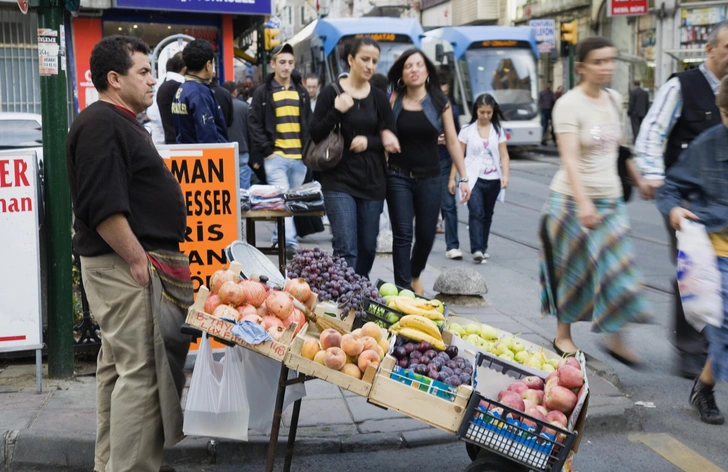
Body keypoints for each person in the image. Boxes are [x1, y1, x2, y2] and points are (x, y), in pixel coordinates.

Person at [66, 35, 191, 472]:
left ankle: (110, 465)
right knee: (141, 375)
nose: (152, 79)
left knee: (120, 371)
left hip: (126, 265)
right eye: (143, 71)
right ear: (114, 79)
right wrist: (138, 259)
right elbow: (103, 205)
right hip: (126, 267)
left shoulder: (116, 120)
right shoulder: (102, 123)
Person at [540, 37, 650, 365]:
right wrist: (584, 202)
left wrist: (639, 178)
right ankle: (563, 336)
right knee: (573, 272)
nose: (607, 67)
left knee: (620, 270)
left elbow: (620, 147)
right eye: (599, 62)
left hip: (611, 200)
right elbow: (570, 159)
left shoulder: (615, 100)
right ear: (582, 67)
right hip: (572, 202)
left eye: (610, 60)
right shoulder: (568, 105)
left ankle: (617, 339)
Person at [636, 20, 728, 378]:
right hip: (689, 204)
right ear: (710, 50)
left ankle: (714, 346)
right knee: (694, 271)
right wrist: (656, 177)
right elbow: (652, 132)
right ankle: (691, 349)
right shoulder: (682, 85)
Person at [656, 76, 728, 426]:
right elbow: (670, 188)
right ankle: (706, 387)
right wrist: (673, 209)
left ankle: (705, 384)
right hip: (719, 253)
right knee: (724, 328)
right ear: (722, 112)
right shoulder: (708, 145)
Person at [309, 37, 397, 277]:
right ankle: (345, 302)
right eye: (365, 59)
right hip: (338, 180)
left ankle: (359, 292)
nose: (370, 66)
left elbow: (391, 136)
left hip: (372, 181)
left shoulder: (379, 97)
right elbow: (315, 133)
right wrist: (337, 111)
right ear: (350, 60)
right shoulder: (331, 93)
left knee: (367, 248)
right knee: (346, 248)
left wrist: (370, 141)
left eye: (375, 61)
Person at [387, 49, 471, 294]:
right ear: (402, 72)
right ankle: (402, 291)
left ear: (427, 71)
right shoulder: (394, 100)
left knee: (426, 235)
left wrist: (463, 177)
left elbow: (453, 141)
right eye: (408, 66)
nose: (414, 69)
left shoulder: (439, 102)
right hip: (398, 175)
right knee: (402, 235)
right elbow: (382, 128)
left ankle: (414, 273)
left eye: (419, 65)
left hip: (431, 177)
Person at [249, 43, 311, 258]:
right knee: (284, 200)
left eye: (290, 63)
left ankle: (279, 237)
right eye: (282, 62)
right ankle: (290, 244)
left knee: (289, 203)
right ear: (273, 64)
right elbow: (254, 123)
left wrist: (306, 152)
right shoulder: (263, 93)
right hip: (276, 157)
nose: (286, 67)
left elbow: (308, 123)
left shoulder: (301, 92)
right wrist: (267, 150)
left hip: (299, 158)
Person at [455, 94, 510, 263]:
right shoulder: (467, 130)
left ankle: (483, 247)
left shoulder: (498, 131)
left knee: (487, 214)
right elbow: (458, 154)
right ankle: (477, 249)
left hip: (493, 179)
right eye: (482, 112)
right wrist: (452, 178)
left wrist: (506, 175)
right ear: (476, 111)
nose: (485, 116)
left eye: (489, 112)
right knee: (476, 212)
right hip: (473, 178)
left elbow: (504, 155)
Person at [172, 39, 228, 144]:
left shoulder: (181, 90)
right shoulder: (200, 93)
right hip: (205, 158)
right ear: (208, 65)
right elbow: (208, 139)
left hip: (188, 155)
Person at [437, 69, 462, 260]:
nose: (442, 98)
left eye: (445, 94)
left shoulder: (452, 111)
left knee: (448, 204)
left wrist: (456, 175)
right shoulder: (419, 107)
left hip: (445, 162)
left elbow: (459, 141)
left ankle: (452, 245)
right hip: (423, 163)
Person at [147, 51, 185, 145]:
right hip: (175, 145)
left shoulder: (163, 85)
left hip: (162, 143)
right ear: (185, 68)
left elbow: (153, 114)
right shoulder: (178, 87)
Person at [222, 81, 251, 189]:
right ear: (235, 92)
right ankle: (244, 204)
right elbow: (250, 130)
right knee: (243, 177)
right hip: (242, 147)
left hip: (224, 148)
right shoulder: (244, 107)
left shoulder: (218, 106)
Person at [539, 81, 555, 146]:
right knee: (544, 125)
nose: (549, 86)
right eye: (548, 84)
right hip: (543, 110)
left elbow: (553, 102)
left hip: (550, 110)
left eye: (550, 84)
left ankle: (552, 138)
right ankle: (542, 139)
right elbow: (539, 101)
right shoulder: (542, 93)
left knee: (552, 125)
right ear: (546, 85)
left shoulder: (551, 93)